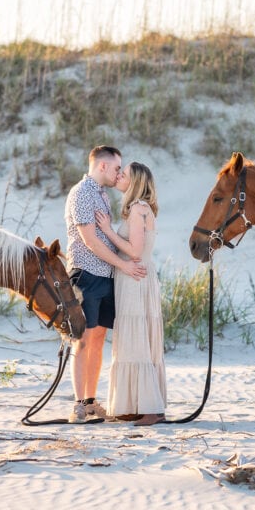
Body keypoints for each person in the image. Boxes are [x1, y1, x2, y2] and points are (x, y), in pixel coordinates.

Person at [64, 146, 146, 423]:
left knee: (98, 339)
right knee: (82, 339)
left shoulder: (103, 195)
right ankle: (77, 403)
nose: (118, 173)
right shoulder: (82, 194)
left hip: (106, 275)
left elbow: (108, 236)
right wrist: (124, 265)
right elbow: (91, 240)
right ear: (101, 166)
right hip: (85, 273)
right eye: (115, 168)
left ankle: (90, 401)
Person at [95, 162, 166, 426]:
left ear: (135, 181)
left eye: (123, 174)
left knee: (136, 339)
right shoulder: (140, 208)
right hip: (135, 277)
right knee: (134, 339)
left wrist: (107, 231)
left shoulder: (139, 209)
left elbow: (135, 251)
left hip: (135, 278)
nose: (119, 176)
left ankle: (150, 407)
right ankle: (136, 404)